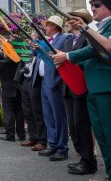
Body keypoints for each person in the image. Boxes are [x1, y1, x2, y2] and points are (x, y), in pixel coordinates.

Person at [53, 0, 111, 181]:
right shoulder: (100, 28)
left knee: (110, 135)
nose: (93, 8)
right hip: (93, 85)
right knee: (102, 136)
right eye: (91, 5)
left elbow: (99, 49)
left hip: (106, 85)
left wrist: (68, 56)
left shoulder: (107, 27)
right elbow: (90, 55)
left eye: (97, 5)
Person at [62, 9, 97, 175]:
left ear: (78, 20)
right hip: (69, 87)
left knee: (83, 124)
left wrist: (68, 59)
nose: (67, 23)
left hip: (82, 85)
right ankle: (82, 157)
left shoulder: (89, 37)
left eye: (70, 19)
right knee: (74, 125)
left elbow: (88, 57)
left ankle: (89, 160)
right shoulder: (68, 41)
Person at [33, 16, 69, 161]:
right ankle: (53, 144)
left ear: (54, 26)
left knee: (58, 116)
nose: (45, 28)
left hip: (55, 81)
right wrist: (36, 47)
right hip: (44, 81)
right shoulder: (47, 39)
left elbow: (62, 56)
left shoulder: (65, 38)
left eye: (47, 25)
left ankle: (62, 147)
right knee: (48, 115)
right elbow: (37, 56)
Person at [17, 32, 47, 151]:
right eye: (29, 37)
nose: (30, 39)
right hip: (25, 81)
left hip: (35, 83)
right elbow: (21, 53)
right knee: (27, 111)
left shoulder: (39, 50)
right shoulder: (29, 50)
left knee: (37, 112)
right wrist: (15, 41)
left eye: (32, 37)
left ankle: (42, 139)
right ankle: (33, 137)